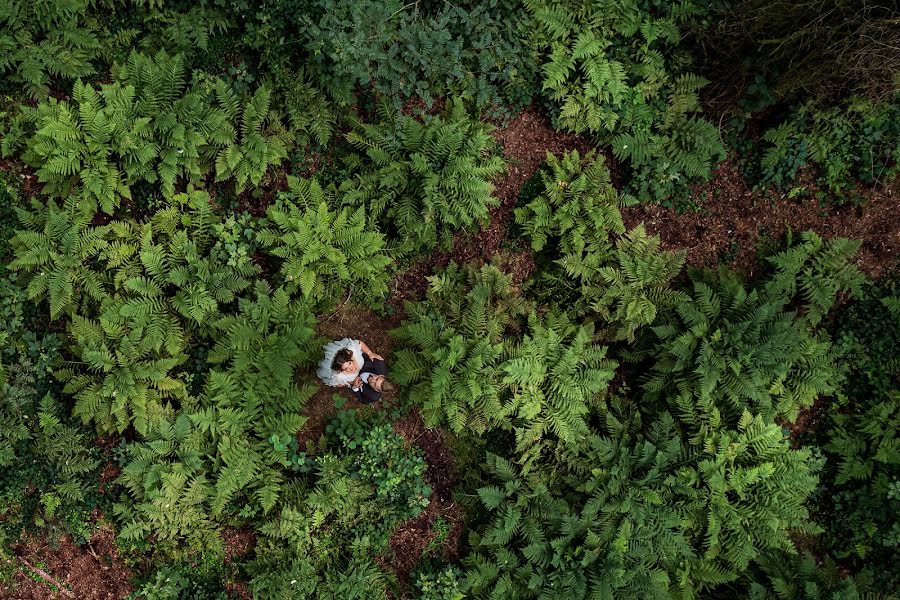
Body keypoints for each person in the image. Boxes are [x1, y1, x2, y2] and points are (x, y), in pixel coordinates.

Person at [317, 338, 395, 404]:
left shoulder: (373, 396)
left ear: (376, 390)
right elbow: (359, 344)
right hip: (347, 361)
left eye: (374, 384)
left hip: (349, 379)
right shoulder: (379, 363)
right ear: (381, 375)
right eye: (377, 378)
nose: (373, 380)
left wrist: (355, 387)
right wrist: (370, 353)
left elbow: (362, 400)